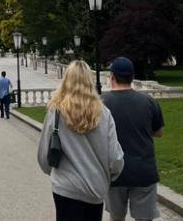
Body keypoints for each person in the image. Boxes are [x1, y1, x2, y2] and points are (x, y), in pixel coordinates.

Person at [38, 60, 124, 221]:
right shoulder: (104, 114)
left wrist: (56, 174)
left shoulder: (56, 112)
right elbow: (115, 159)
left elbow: (44, 155)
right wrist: (106, 177)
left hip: (66, 188)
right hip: (95, 188)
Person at [102, 57, 164, 221]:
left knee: (116, 217)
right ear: (132, 77)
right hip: (144, 170)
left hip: (114, 171)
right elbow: (159, 132)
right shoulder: (149, 101)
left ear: (112, 76)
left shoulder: (101, 102)